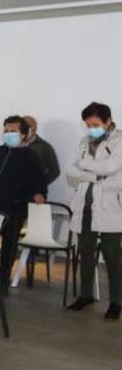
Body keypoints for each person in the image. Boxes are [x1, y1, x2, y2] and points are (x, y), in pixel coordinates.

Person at [66, 102, 122, 320]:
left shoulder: (119, 140)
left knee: (112, 256)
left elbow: (111, 168)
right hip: (86, 205)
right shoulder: (84, 141)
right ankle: (86, 295)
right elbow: (71, 171)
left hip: (111, 207)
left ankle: (116, 301)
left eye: (96, 124)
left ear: (108, 122)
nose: (91, 129)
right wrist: (93, 173)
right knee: (86, 252)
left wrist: (85, 167)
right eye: (88, 125)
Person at [0, 115, 47, 289]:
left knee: (9, 246)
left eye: (13, 131)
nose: (8, 134)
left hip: (14, 209)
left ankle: (2, 281)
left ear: (23, 135)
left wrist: (39, 193)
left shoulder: (29, 156)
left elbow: (39, 180)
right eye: (6, 131)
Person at [23, 115, 61, 186]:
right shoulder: (13, 145)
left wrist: (40, 184)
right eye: (23, 127)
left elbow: (55, 171)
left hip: (34, 192)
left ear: (35, 128)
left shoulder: (44, 146)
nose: (26, 130)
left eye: (29, 127)